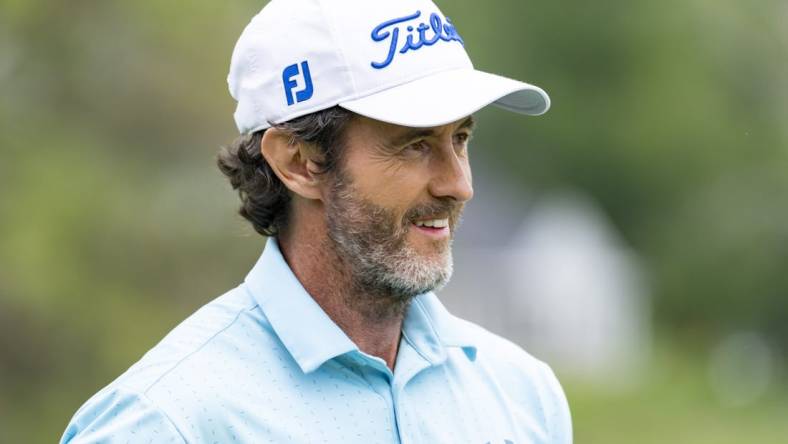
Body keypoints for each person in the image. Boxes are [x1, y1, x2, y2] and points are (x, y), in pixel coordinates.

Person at [60, 0, 572, 442]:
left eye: (459, 139)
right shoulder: (163, 423)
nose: (459, 185)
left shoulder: (523, 397)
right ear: (299, 163)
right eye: (415, 145)